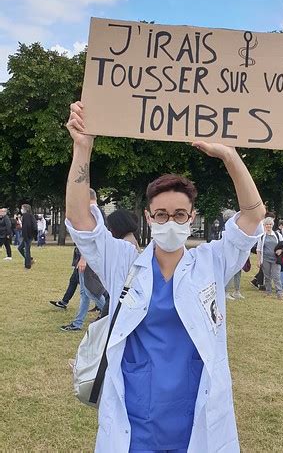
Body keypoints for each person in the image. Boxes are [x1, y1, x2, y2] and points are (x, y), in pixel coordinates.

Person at [65, 101, 264, 453]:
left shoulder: (211, 262)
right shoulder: (123, 262)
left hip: (193, 414)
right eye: (160, 214)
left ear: (192, 217)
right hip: (136, 416)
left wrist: (230, 157)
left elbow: (252, 216)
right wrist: (83, 147)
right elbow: (81, 219)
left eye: (179, 214)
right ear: (147, 216)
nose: (169, 222)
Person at [61, 189, 106, 332]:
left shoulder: (92, 213)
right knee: (85, 292)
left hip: (89, 258)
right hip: (91, 257)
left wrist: (83, 258)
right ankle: (78, 323)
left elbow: (91, 239)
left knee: (89, 291)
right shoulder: (98, 213)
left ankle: (110, 311)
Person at [256, 217, 283, 299]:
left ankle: (279, 293)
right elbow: (258, 249)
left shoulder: (278, 235)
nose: (268, 226)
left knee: (276, 276)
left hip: (276, 259)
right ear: (264, 225)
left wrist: (280, 250)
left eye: (270, 224)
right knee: (267, 276)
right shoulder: (262, 236)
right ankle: (268, 291)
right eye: (267, 224)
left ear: (272, 225)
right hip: (265, 259)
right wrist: (258, 260)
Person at [223, 209, 245, 300]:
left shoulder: (236, 228)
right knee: (229, 273)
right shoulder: (225, 229)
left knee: (238, 272)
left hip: (238, 253)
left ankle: (237, 291)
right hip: (229, 254)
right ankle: (225, 292)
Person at [18, 204, 37, 269]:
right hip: (29, 235)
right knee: (20, 248)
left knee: (27, 250)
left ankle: (27, 265)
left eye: (22, 208)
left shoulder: (26, 216)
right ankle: (29, 259)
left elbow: (26, 226)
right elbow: (34, 226)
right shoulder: (31, 216)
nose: (21, 210)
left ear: (25, 209)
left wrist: (26, 235)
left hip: (27, 235)